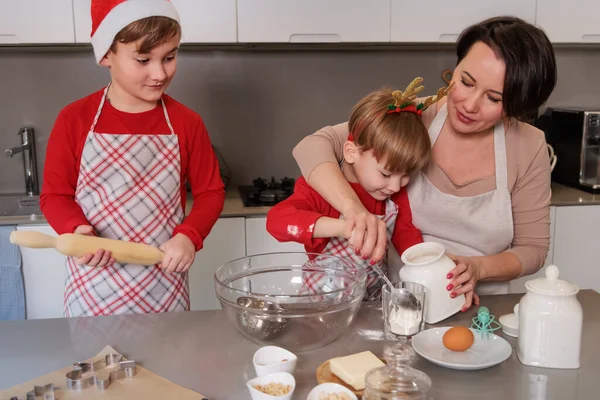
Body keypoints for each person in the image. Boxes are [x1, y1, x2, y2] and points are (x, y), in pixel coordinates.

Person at [291, 16, 557, 310]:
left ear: (517, 105)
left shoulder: (528, 146)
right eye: (465, 82)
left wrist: (478, 268)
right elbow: (312, 146)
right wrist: (353, 210)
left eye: (494, 98)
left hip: (483, 309)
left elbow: (533, 249)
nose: (469, 104)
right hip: (395, 303)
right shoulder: (411, 114)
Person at [40, 0, 225, 317]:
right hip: (94, 282)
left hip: (164, 282)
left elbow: (211, 192)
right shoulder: (75, 119)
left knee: (167, 361)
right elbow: (55, 195)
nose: (159, 73)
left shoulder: (186, 122)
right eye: (143, 60)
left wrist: (188, 237)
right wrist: (76, 229)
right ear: (106, 56)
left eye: (169, 57)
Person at [267, 79, 451, 300]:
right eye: (385, 173)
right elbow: (276, 221)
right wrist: (345, 228)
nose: (395, 186)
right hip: (323, 302)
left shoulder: (391, 195)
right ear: (351, 152)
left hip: (371, 300)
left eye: (405, 176)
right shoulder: (320, 189)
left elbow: (406, 236)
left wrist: (435, 274)